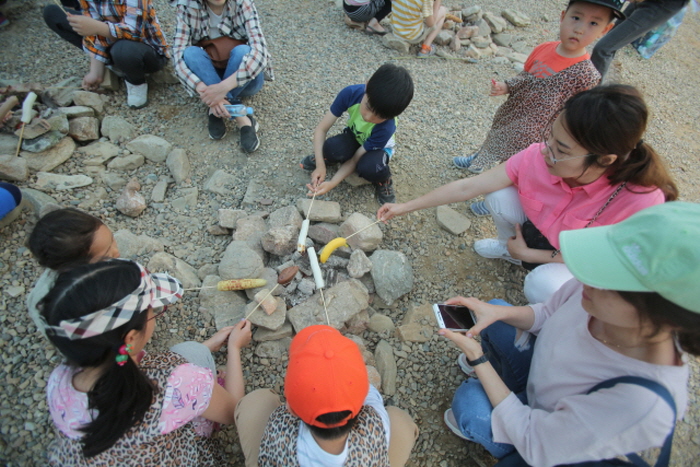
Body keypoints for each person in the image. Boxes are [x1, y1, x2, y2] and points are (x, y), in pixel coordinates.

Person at [438, 201, 699, 466]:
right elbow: (549, 314)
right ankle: (501, 381)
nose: (587, 277)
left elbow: (534, 443)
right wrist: (496, 314)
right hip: (542, 377)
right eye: (606, 259)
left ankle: (500, 438)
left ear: (664, 316)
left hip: (542, 433)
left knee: (470, 406)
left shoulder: (641, 403)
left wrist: (478, 359)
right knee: (496, 311)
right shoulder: (596, 291)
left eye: (612, 278)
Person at [378, 84, 678, 304]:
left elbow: (607, 263)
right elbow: (470, 186)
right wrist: (405, 206)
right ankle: (507, 249)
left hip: (582, 263)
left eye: (561, 150)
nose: (546, 152)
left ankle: (551, 313)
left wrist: (531, 255)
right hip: (549, 234)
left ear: (605, 159)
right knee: (498, 196)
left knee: (541, 285)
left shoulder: (640, 201)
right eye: (550, 137)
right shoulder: (538, 156)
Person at [40, 258, 253, 465]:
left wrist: (205, 346)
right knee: (193, 358)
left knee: (192, 351)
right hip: (177, 454)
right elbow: (235, 411)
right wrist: (233, 348)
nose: (155, 313)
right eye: (154, 310)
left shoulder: (59, 379)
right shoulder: (178, 382)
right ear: (130, 338)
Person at [453, 0, 623, 175]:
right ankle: (479, 160)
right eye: (576, 18)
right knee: (495, 137)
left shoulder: (587, 75)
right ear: (563, 17)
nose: (579, 29)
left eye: (593, 23)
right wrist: (507, 86)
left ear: (605, 30)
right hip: (513, 112)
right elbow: (526, 77)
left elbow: (576, 113)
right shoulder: (544, 48)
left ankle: (494, 192)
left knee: (514, 162)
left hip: (537, 130)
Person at [234, 324, 419, 467]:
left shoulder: (277, 430)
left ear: (290, 409)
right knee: (399, 421)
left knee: (255, 404)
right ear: (361, 407)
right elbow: (371, 397)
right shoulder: (375, 424)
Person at [300, 63, 414, 205]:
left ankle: (383, 179)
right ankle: (327, 159)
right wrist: (320, 165)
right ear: (366, 86)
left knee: (370, 167)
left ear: (392, 116)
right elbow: (321, 129)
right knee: (331, 148)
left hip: (377, 150)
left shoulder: (386, 128)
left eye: (379, 117)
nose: (369, 117)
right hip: (355, 136)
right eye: (368, 107)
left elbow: (354, 160)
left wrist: (332, 183)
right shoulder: (351, 93)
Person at [171, 0, 272, 152]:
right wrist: (206, 91)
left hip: (245, 80)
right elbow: (178, 57)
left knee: (243, 51)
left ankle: (215, 110)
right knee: (190, 53)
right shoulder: (187, 6)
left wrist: (222, 89)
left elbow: (261, 53)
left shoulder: (243, 3)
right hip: (210, 76)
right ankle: (241, 118)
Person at [43, 0, 169, 109]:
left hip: (146, 51)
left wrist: (97, 27)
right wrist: (96, 71)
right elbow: (93, 31)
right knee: (53, 13)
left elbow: (134, 32)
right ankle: (114, 64)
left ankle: (136, 82)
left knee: (122, 49)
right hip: (112, 44)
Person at [26, 208, 120, 337]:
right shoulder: (69, 301)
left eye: (112, 240)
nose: (117, 252)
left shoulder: (72, 266)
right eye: (107, 254)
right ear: (73, 268)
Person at [591, 0, 690, 81]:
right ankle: (586, 85)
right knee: (609, 42)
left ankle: (590, 96)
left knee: (604, 48)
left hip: (662, 5)